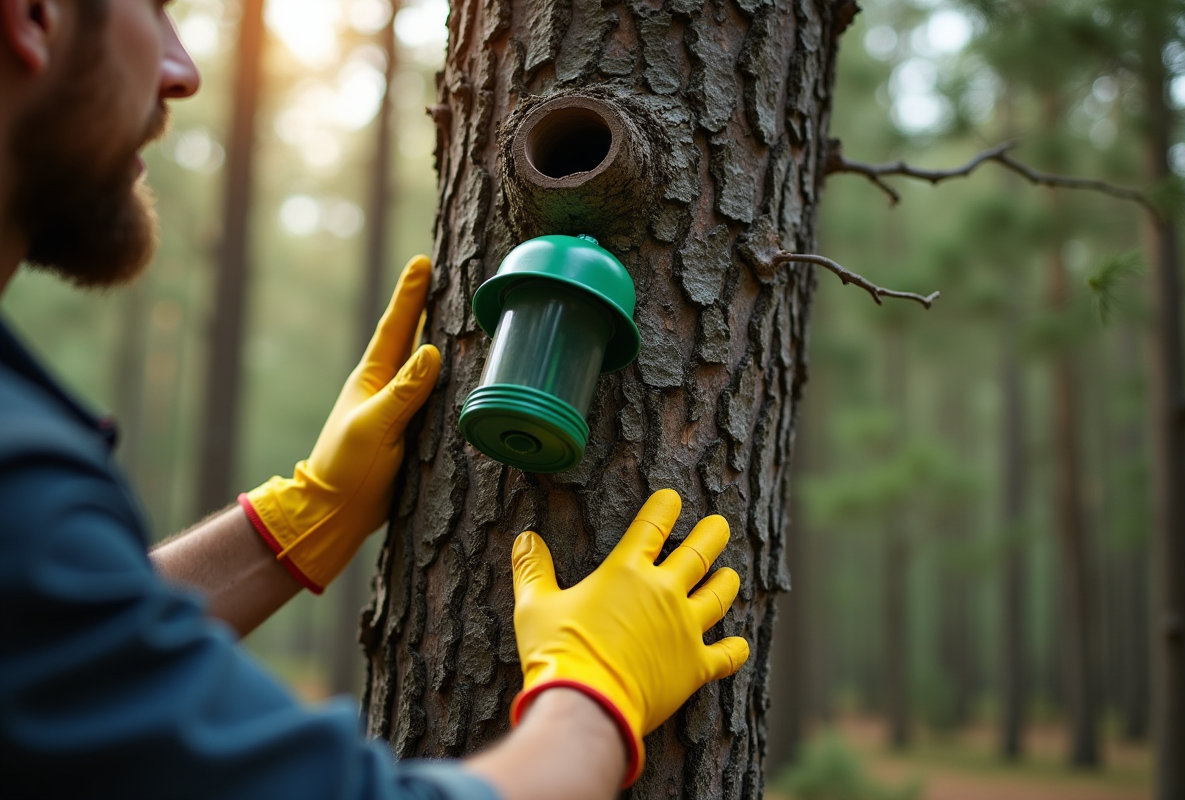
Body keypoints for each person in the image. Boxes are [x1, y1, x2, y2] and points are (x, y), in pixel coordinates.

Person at [0, 2, 751, 799]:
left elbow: (51, 657)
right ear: (36, 17)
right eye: (153, 11)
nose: (182, 70)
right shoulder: (23, 486)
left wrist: (296, 521)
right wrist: (595, 701)